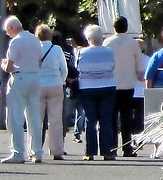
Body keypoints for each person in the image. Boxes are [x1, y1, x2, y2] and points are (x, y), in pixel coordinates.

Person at [2, 17, 43, 163]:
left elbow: (9, 66)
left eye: (8, 31)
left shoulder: (16, 41)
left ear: (12, 28)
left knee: (15, 117)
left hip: (20, 78)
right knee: (34, 116)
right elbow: (40, 60)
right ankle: (37, 151)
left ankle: (18, 152)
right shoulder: (34, 39)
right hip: (35, 77)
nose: (8, 34)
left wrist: (3, 64)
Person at [104, 16, 145, 157]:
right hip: (128, 83)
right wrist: (140, 74)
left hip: (112, 84)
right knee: (126, 117)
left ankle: (112, 147)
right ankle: (127, 148)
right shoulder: (132, 43)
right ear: (127, 27)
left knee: (112, 118)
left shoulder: (108, 42)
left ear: (114, 27)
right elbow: (139, 60)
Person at [76, 25, 117, 160]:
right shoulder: (109, 52)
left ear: (88, 38)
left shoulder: (81, 52)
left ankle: (90, 152)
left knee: (90, 119)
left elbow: (78, 68)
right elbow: (113, 66)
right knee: (106, 119)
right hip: (107, 86)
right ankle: (107, 151)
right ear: (101, 38)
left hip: (87, 87)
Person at [31, 25, 68, 162]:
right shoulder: (57, 49)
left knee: (36, 120)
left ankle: (35, 151)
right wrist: (61, 80)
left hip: (38, 85)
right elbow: (63, 69)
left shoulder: (34, 49)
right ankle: (57, 150)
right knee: (55, 120)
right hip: (55, 84)